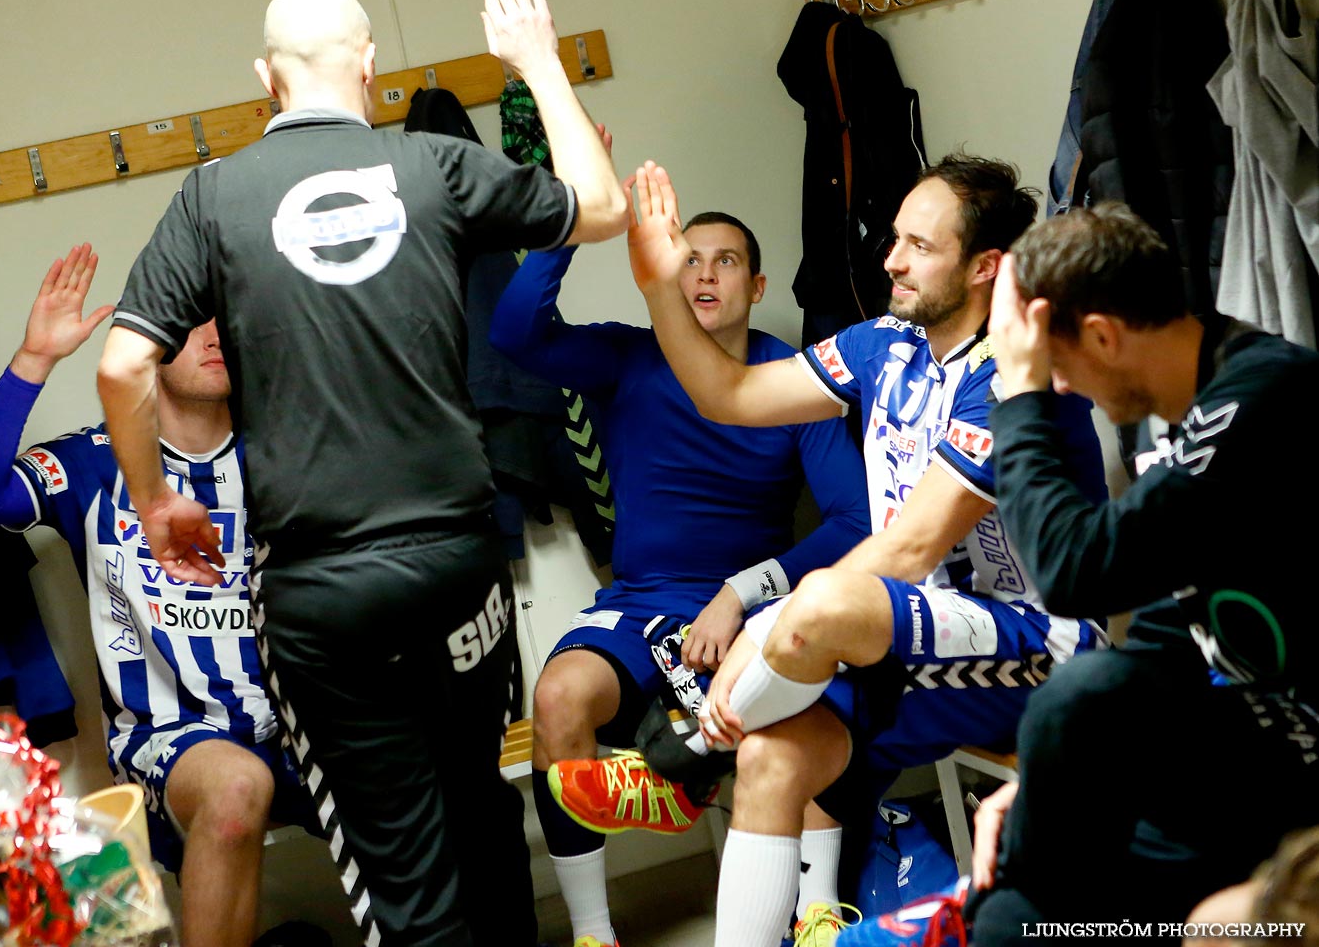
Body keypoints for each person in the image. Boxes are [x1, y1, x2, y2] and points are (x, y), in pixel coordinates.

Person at [96, 0, 629, 947]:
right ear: (371, 67)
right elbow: (599, 206)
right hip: (458, 570)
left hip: (321, 589)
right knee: (480, 811)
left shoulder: (214, 192)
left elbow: (123, 361)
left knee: (405, 876)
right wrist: (536, 61)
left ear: (265, 80)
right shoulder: (430, 163)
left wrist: (155, 497)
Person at [558, 155, 1108, 947]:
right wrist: (655, 289)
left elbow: (913, 547)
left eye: (919, 246)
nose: (890, 259)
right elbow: (732, 395)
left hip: (1039, 643)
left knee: (815, 602)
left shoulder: (1015, 370)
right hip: (911, 637)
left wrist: (768, 620)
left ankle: (689, 758)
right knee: (771, 762)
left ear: (985, 267)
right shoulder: (885, 342)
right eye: (894, 239)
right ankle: (720, 782)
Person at [489, 204, 871, 947]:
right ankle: (593, 933)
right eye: (689, 258)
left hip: (750, 609)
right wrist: (571, 224)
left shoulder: (794, 380)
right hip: (640, 605)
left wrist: (743, 591)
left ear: (756, 285)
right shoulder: (627, 357)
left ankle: (819, 912)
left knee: (803, 709)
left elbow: (856, 521)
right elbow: (512, 335)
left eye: (724, 260)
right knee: (559, 696)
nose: (704, 272)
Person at [959, 203, 1319, 944]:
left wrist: (1017, 399)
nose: (1057, 387)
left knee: (1078, 693)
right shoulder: (1181, 409)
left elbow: (1073, 568)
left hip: (1296, 792)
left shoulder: (1267, 397)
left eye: (1054, 364)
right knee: (1009, 919)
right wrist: (1045, 779)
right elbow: (1170, 625)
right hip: (1245, 765)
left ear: (1100, 335)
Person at [0, 245, 313, 947]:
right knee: (236, 791)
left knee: (441, 784)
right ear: (146, 342)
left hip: (310, 721)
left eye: (226, 318)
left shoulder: (294, 447)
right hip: (175, 739)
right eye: (193, 319)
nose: (214, 334)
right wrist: (34, 359)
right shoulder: (89, 462)